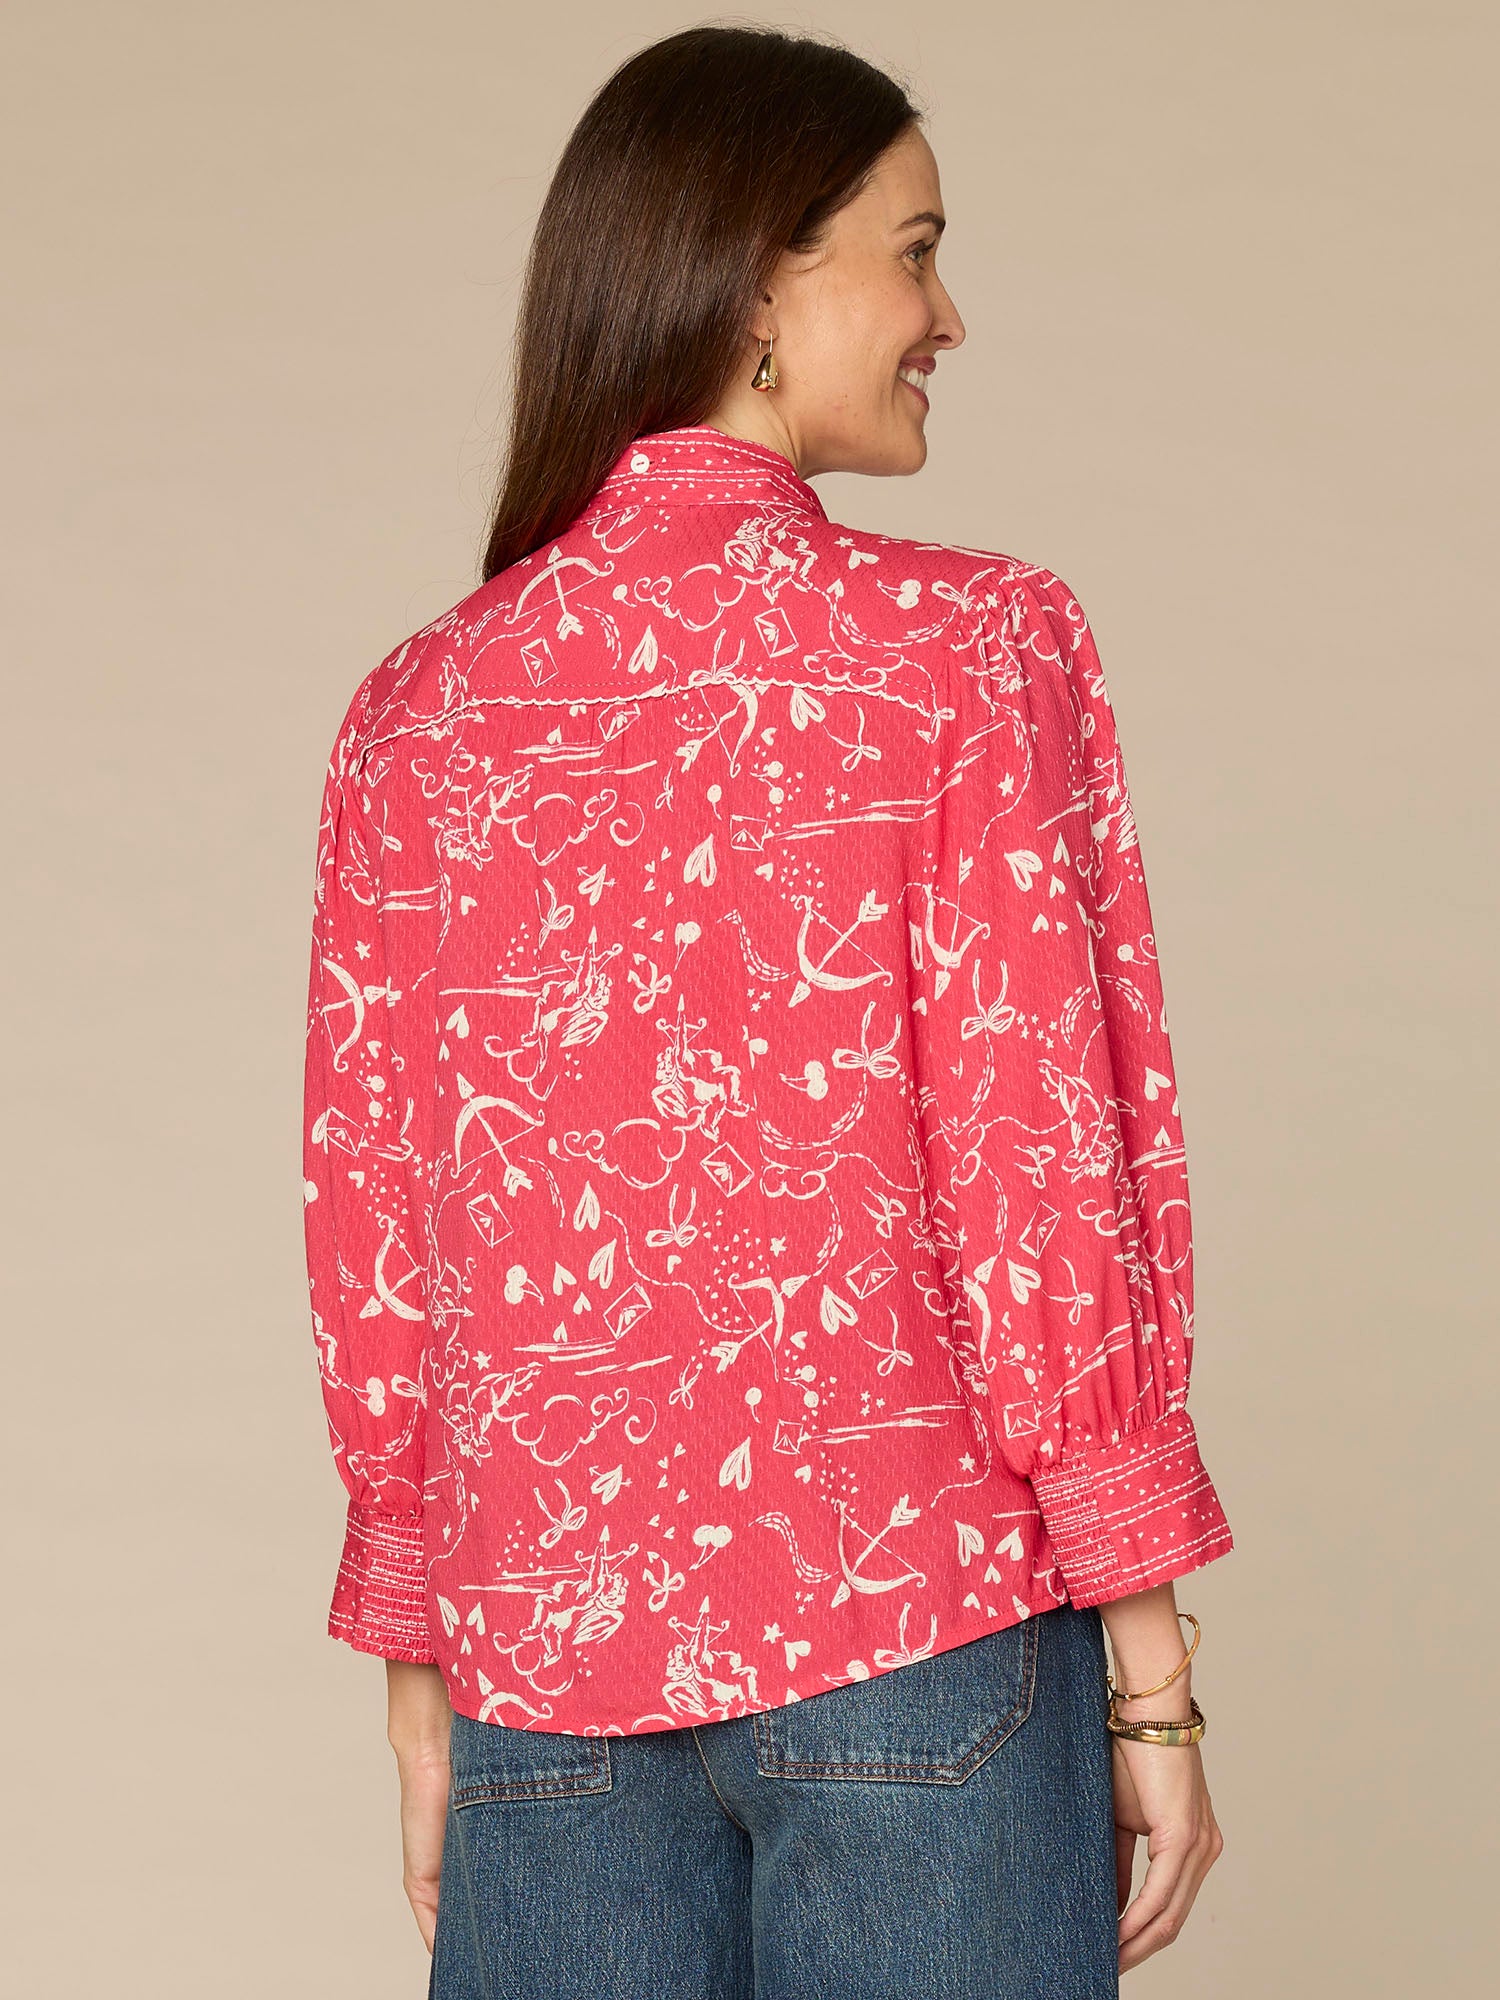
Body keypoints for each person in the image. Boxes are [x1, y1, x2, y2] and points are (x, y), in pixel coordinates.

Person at [300, 24, 1235, 1997]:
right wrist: (1151, 1672)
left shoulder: (420, 708)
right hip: (923, 1633)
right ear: (756, 282)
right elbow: (1042, 1166)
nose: (948, 316)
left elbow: (389, 1232)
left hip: (540, 1667)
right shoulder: (972, 647)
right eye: (917, 251)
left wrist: (419, 1670)